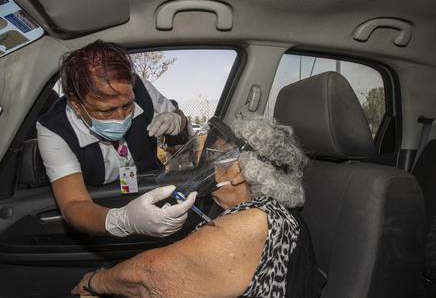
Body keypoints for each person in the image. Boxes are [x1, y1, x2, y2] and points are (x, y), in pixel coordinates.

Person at [72, 117, 315, 298]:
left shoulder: (258, 220)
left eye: (215, 155)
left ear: (238, 172)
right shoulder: (237, 209)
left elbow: (150, 276)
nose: (207, 161)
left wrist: (94, 282)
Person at [37, 41, 196, 238]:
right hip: (103, 208)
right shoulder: (54, 130)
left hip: (152, 185)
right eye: (106, 110)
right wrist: (121, 221)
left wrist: (176, 120)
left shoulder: (142, 90)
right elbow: (73, 204)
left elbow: (179, 118)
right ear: (77, 105)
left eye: (127, 105)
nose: (121, 117)